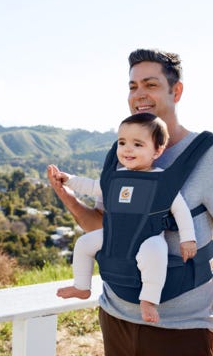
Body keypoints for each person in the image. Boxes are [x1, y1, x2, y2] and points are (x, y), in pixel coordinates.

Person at [47, 49, 213, 356]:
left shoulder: (211, 158)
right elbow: (107, 229)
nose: (139, 95)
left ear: (177, 90)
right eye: (133, 86)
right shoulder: (124, 155)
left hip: (182, 329)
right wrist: (70, 200)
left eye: (151, 84)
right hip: (115, 316)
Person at [49, 112, 197, 323]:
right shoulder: (116, 177)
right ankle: (81, 286)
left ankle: (149, 300)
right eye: (122, 142)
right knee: (83, 244)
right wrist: (69, 180)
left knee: (156, 253)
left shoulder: (161, 181)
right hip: (114, 236)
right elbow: (92, 187)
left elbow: (180, 210)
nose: (128, 149)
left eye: (138, 144)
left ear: (157, 150)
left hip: (148, 237)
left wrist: (188, 239)